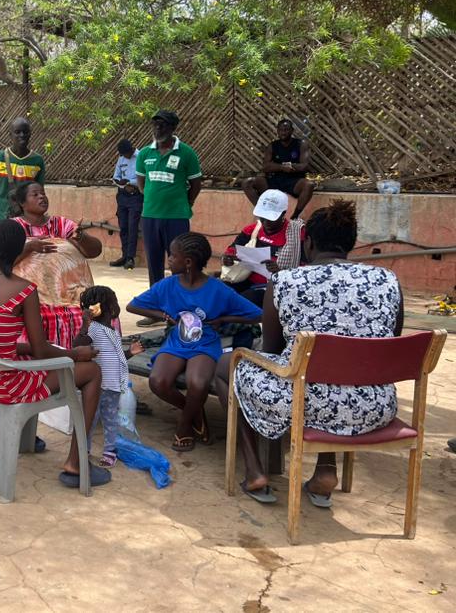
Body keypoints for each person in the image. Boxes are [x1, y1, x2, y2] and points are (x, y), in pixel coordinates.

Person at [215, 201, 404, 506]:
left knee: (228, 365)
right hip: (375, 404)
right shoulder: (387, 280)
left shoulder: (285, 281)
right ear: (351, 244)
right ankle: (325, 470)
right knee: (331, 370)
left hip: (305, 401)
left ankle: (254, 470)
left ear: (308, 242)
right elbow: (389, 346)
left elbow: (273, 351)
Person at [0, 220, 112, 488]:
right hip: (9, 383)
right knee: (92, 372)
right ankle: (76, 463)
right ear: (22, 250)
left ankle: (26, 440)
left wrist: (45, 351)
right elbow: (42, 349)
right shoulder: (23, 290)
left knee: (32, 356)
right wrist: (75, 353)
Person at [126, 232, 261, 452]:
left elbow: (257, 314)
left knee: (197, 383)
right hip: (176, 341)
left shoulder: (217, 289)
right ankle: (195, 412)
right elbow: (133, 306)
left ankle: (184, 425)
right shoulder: (167, 285)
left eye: (172, 256)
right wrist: (163, 316)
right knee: (158, 381)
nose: (168, 260)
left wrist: (224, 318)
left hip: (205, 343)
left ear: (187, 262)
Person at [10, 181, 103, 346]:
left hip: (72, 297)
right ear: (22, 203)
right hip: (35, 300)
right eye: (35, 194)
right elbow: (0, 261)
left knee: (98, 312)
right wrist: (30, 247)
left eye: (43, 193)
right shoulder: (14, 228)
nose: (42, 197)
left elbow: (95, 251)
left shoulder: (61, 224)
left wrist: (82, 237)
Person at [135, 111, 202, 328]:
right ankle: (156, 311)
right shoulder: (145, 153)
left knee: (179, 264)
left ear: (173, 128)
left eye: (163, 126)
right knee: (153, 264)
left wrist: (185, 204)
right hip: (150, 217)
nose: (158, 130)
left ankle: (180, 311)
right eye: (155, 126)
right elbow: (142, 184)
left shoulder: (187, 153)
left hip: (176, 217)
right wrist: (155, 202)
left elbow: (196, 184)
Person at [74, 286, 129, 468]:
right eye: (113, 303)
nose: (116, 307)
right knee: (90, 418)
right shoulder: (94, 328)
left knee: (110, 419)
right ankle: (85, 449)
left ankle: (109, 450)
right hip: (95, 385)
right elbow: (78, 345)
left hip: (112, 385)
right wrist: (85, 324)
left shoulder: (113, 330)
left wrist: (131, 353)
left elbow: (117, 356)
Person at [221, 189, 305, 306]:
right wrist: (226, 260)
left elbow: (305, 268)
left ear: (283, 213)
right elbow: (231, 251)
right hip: (245, 279)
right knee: (219, 291)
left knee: (245, 300)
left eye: (270, 218)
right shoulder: (251, 231)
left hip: (273, 286)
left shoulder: (296, 235)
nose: (265, 222)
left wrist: (279, 272)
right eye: (262, 217)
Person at [242, 118, 314, 220]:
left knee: (309, 185)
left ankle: (295, 216)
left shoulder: (301, 144)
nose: (283, 132)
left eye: (286, 129)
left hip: (293, 181)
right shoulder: (272, 146)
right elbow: (265, 167)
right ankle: (261, 211)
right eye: (280, 130)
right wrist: (282, 167)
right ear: (277, 131)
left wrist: (290, 166)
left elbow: (304, 166)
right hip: (274, 180)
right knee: (247, 182)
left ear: (292, 131)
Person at [0, 117, 46, 224]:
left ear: (30, 134)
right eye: (17, 132)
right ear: (10, 135)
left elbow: (39, 192)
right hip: (1, 220)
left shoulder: (37, 161)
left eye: (25, 132)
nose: (22, 135)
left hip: (27, 221)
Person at [109, 138, 141, 270]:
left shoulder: (140, 157)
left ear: (131, 150)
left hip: (135, 195)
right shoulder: (121, 159)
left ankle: (130, 258)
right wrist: (122, 185)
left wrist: (129, 183)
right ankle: (124, 255)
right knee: (123, 227)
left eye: (126, 154)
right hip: (122, 196)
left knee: (132, 227)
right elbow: (115, 176)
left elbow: (142, 177)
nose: (124, 157)